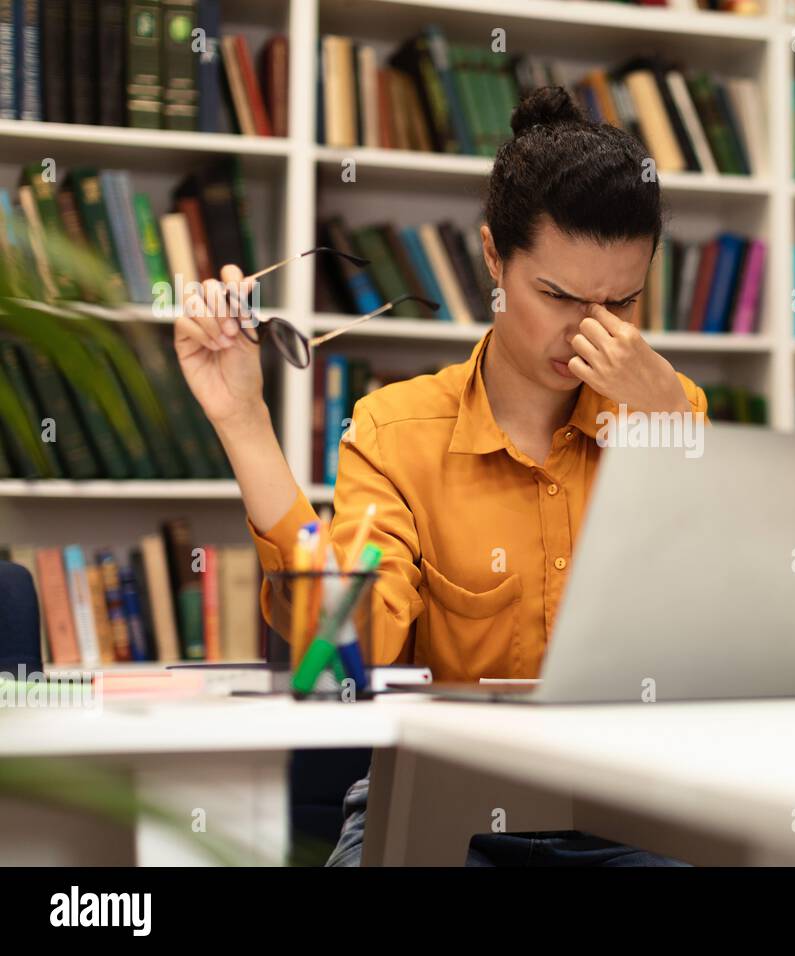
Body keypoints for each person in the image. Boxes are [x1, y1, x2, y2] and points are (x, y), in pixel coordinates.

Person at [174, 85, 704, 866]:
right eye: (556, 296)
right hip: (450, 805)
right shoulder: (394, 430)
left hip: (629, 805)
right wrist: (245, 426)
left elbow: (716, 630)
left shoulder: (667, 409)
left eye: (623, 301)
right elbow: (349, 643)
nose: (592, 331)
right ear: (494, 258)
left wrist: (672, 429)